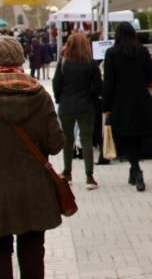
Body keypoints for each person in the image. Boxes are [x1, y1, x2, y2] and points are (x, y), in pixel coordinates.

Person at [0, 36, 63, 279]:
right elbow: (56, 143)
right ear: (21, 59)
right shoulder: (40, 95)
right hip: (35, 189)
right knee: (32, 250)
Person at [102, 22, 152, 191]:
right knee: (138, 133)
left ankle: (135, 168)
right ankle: (135, 169)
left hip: (121, 101)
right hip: (140, 98)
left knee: (126, 136)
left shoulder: (111, 53)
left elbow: (108, 81)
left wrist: (106, 105)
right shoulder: (142, 51)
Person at [53, 32, 102, 190]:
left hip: (66, 106)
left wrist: (60, 99)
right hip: (86, 106)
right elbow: (98, 87)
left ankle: (67, 172)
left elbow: (56, 84)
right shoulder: (91, 64)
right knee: (86, 140)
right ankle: (89, 176)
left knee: (67, 140)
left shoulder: (63, 63)